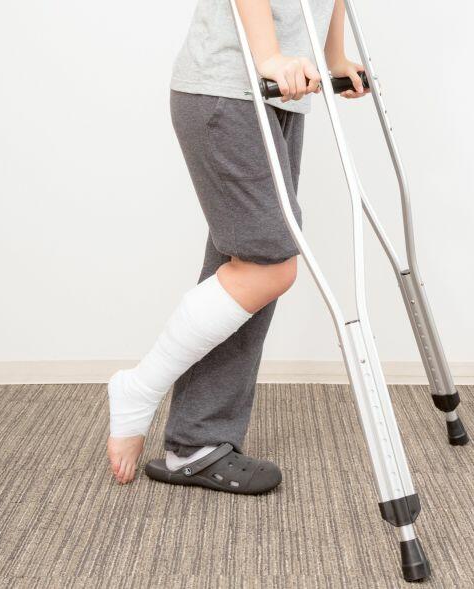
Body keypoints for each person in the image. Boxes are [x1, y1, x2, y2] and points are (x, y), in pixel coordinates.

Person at [107, 0, 369, 491]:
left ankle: (196, 445)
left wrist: (333, 56)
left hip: (281, 95)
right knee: (270, 264)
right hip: (228, 89)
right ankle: (139, 388)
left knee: (242, 273)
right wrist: (269, 56)